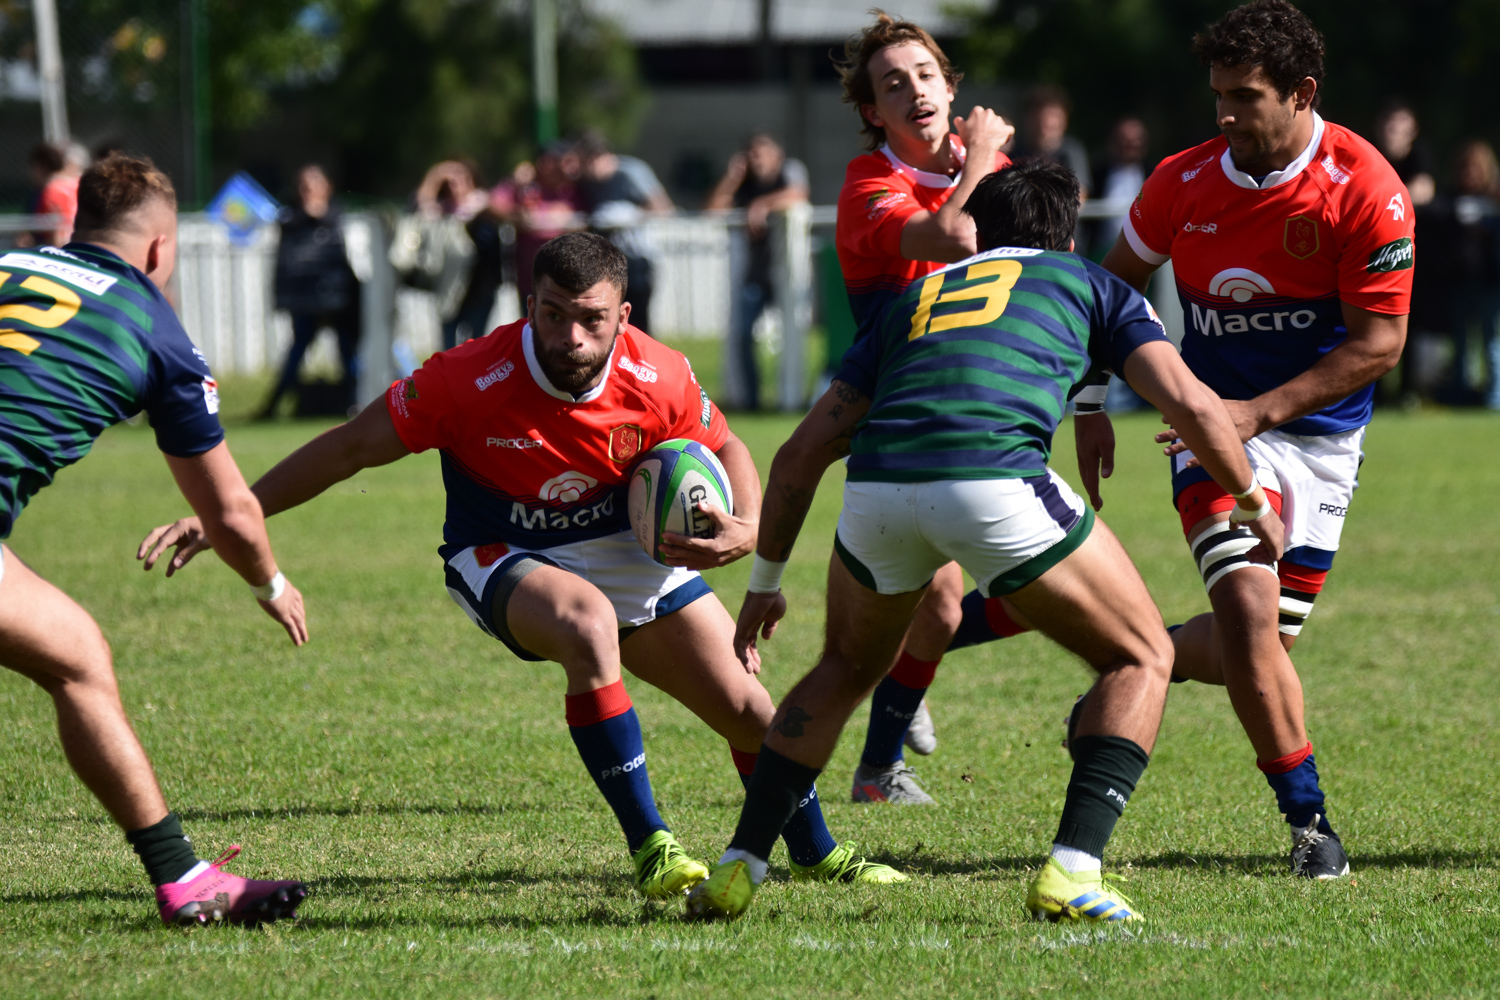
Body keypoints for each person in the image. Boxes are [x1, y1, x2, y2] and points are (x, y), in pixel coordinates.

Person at [144, 233, 904, 901]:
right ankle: (652, 846)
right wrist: (226, 513)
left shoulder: (661, 373)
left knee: (751, 712)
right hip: (502, 551)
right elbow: (349, 447)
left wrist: (745, 523)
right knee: (586, 624)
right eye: (552, 313)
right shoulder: (465, 377)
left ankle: (817, 853)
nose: (570, 335)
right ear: (527, 304)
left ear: (623, 317)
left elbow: (730, 444)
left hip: (625, 548)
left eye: (591, 318)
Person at [684, 161, 1283, 923]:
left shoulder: (913, 298)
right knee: (1141, 655)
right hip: (991, 481)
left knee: (842, 668)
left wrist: (765, 582)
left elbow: (800, 454)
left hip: (876, 492)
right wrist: (1252, 498)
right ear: (1066, 235)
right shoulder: (1092, 284)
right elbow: (1191, 402)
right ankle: (1073, 870)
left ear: (979, 233)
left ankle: (741, 864)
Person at [1069, 0, 1412, 880]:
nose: (1223, 114)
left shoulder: (1366, 188)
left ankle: (1137, 654)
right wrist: (1094, 402)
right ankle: (1311, 826)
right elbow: (1110, 290)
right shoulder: (1183, 182)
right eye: (1217, 94)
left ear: (1302, 94)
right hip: (1208, 425)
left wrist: (1261, 411)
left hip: (1322, 440)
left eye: (1245, 97)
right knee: (1253, 618)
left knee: (1259, 649)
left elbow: (1379, 345)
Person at [1, 153, 308, 926]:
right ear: (160, 248)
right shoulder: (153, 326)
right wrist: (271, 584)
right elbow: (232, 511)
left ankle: (184, 878)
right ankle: (184, 880)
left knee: (76, 652)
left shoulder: (10, 263)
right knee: (78, 662)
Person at [831, 11, 1015, 805]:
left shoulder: (1001, 168)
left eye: (926, 75)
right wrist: (979, 163)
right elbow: (945, 235)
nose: (914, 91)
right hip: (895, 411)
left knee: (1020, 598)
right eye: (892, 83)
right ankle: (878, 767)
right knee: (940, 599)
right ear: (874, 111)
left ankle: (898, 672)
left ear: (950, 86)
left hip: (986, 407)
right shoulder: (868, 184)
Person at [705, 132, 810, 411]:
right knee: (742, 336)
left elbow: (799, 194)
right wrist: (732, 178)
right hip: (754, 277)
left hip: (787, 277)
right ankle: (751, 402)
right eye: (752, 154)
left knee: (794, 335)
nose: (757, 159)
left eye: (762, 153)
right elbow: (713, 211)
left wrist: (762, 205)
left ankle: (791, 398)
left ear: (777, 154)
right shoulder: (744, 183)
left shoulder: (790, 171)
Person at [256, 164, 362, 419]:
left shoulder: (338, 216)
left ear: (327, 188)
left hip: (338, 298)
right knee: (296, 353)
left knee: (347, 353)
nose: (308, 192)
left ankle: (355, 403)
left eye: (313, 185)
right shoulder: (290, 218)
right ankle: (273, 406)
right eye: (303, 186)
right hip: (304, 300)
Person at [577, 131, 673, 335]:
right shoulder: (586, 182)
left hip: (636, 260)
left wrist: (626, 215)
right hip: (603, 263)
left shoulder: (630, 172)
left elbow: (663, 208)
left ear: (593, 157)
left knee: (637, 325)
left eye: (582, 162)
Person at [1429, 141, 1500, 408]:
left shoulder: (1493, 199)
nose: (1470, 175)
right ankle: (1463, 391)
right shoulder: (1450, 200)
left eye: (1476, 169)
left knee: (1490, 340)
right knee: (1460, 341)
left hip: (1489, 282)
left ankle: (1494, 396)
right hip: (1459, 280)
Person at [414, 159, 504, 350]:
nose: (456, 185)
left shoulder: (485, 205)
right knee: (448, 347)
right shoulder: (442, 211)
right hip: (449, 288)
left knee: (477, 345)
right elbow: (422, 204)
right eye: (451, 181)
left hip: (480, 288)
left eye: (461, 178)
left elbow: (505, 211)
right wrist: (436, 175)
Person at [491, 142, 584, 311]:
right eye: (554, 162)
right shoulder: (525, 187)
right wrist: (516, 217)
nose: (561, 168)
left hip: (568, 276)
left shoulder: (573, 189)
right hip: (531, 277)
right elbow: (493, 204)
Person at [1012, 86, 1093, 196]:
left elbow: (1080, 194)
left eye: (1051, 125)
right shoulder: (1014, 151)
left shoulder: (1072, 151)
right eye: (1039, 122)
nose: (1044, 129)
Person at [1374, 102, 1436, 208]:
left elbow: (1424, 191)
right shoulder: (1370, 150)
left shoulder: (1419, 154)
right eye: (1390, 120)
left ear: (1413, 130)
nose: (1394, 126)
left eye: (1401, 121)